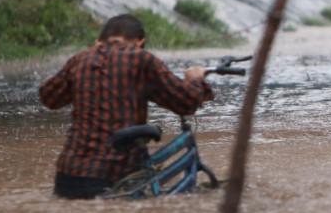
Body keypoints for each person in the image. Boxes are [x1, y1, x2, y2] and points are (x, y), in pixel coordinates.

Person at [38, 14, 213, 198]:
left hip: (67, 175)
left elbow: (49, 98)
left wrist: (88, 59)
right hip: (114, 176)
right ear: (140, 42)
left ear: (99, 41)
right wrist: (195, 79)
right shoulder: (141, 60)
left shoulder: (79, 60)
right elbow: (186, 102)